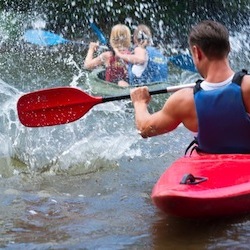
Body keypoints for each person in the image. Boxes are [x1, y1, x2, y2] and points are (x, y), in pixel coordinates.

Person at [130, 20, 250, 154]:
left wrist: (139, 102)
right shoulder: (248, 87)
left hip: (208, 172)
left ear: (196, 51)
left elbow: (144, 128)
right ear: (229, 48)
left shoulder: (184, 101)